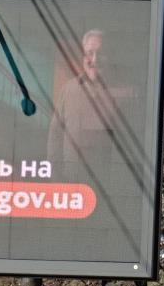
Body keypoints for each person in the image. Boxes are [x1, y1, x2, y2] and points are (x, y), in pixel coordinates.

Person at [47, 29, 116, 183]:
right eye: (90, 53)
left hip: (106, 187)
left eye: (101, 53)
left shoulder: (124, 93)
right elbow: (55, 136)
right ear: (83, 56)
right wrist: (56, 178)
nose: (95, 59)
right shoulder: (69, 90)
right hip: (69, 183)